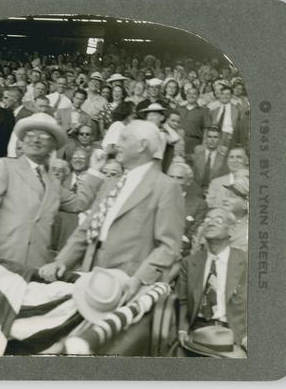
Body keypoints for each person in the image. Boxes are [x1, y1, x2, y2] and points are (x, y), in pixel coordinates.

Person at [40, 120, 185, 303]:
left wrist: (139, 279)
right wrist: (61, 261)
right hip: (91, 277)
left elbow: (169, 246)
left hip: (127, 286)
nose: (117, 144)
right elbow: (87, 229)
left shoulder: (166, 187)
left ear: (142, 145)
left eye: (124, 139)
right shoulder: (111, 183)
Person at [0, 114, 104, 273]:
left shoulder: (53, 182)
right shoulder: (4, 166)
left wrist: (95, 171)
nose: (35, 140)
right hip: (0, 260)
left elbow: (79, 204)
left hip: (36, 266)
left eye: (44, 136)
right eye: (30, 135)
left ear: (53, 145)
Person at [177, 207, 247, 350]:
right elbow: (183, 301)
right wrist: (182, 329)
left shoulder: (246, 262)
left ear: (231, 231)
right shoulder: (189, 263)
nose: (211, 223)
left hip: (233, 332)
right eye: (207, 219)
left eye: (218, 220)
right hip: (199, 331)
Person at [167, 162, 208, 257]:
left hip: (181, 254)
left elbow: (193, 235)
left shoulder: (199, 204)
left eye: (179, 178)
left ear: (189, 182)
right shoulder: (156, 199)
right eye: (171, 177)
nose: (174, 181)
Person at [189, 127, 229, 192]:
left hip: (214, 193)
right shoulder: (194, 157)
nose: (212, 140)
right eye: (209, 137)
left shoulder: (224, 160)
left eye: (215, 137)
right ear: (205, 139)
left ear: (220, 140)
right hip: (195, 192)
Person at [177, 86, 213, 154]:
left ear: (198, 96)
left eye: (194, 94)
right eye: (189, 93)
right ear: (186, 95)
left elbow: (206, 130)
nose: (191, 95)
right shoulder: (179, 110)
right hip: (178, 142)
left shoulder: (204, 111)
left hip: (195, 143)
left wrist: (203, 145)